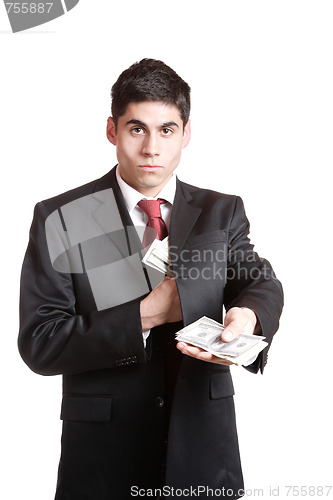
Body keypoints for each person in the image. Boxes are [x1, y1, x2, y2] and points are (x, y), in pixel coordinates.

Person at [18, 58, 283, 500]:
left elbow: (260, 280)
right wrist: (145, 314)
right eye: (137, 129)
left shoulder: (221, 211)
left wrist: (247, 316)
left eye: (167, 130)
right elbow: (42, 341)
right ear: (111, 130)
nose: (152, 149)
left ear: (186, 133)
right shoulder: (63, 217)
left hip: (202, 450)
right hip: (103, 459)